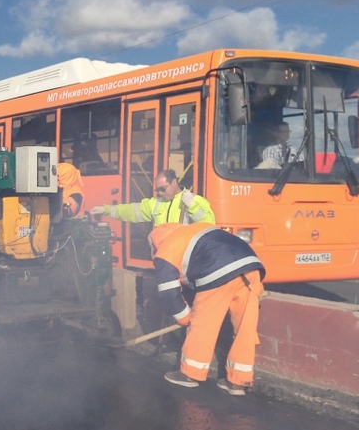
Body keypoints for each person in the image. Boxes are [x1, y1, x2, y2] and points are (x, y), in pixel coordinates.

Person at [149, 222, 266, 396]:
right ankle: (238, 382)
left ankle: (190, 374)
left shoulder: (165, 251)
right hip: (251, 267)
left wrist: (184, 316)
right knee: (245, 329)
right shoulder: (195, 230)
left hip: (217, 271)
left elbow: (169, 292)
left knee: (203, 326)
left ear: (156, 243)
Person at [89, 169, 214, 226]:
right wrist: (106, 210)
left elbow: (209, 224)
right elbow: (131, 210)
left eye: (163, 189)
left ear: (174, 182)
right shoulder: (155, 203)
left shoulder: (195, 200)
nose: (160, 193)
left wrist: (192, 206)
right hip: (163, 257)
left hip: (184, 259)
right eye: (157, 190)